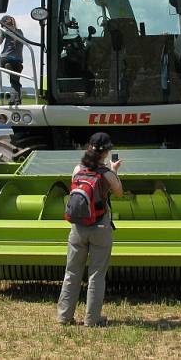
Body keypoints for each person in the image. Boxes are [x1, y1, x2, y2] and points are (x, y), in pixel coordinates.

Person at [56, 132, 123, 327]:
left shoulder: (77, 169)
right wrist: (114, 170)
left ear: (89, 148)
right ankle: (92, 319)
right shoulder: (107, 173)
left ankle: (64, 316)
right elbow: (118, 192)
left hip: (77, 227)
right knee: (96, 274)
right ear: (106, 152)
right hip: (100, 227)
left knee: (72, 272)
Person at [0, 15, 25, 103]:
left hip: (5, 58)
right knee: (15, 81)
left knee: (13, 79)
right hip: (17, 61)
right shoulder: (20, 32)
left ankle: (7, 66)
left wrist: (0, 32)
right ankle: (15, 100)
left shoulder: (5, 31)